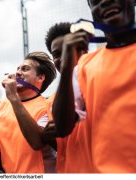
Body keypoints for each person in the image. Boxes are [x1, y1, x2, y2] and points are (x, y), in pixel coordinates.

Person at [52, 0, 136, 173]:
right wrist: (67, 67)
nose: (104, 1)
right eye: (95, 1)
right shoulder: (84, 67)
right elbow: (62, 128)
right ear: (91, 11)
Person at [0, 51, 57, 173]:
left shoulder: (47, 107)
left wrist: (13, 98)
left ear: (40, 77)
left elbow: (37, 142)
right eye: (17, 69)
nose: (18, 73)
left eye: (25, 69)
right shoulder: (0, 107)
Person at [43, 22, 91, 173]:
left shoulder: (98, 79)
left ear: (83, 49)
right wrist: (48, 136)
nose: (63, 57)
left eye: (67, 49)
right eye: (56, 54)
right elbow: (64, 140)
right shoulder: (52, 101)